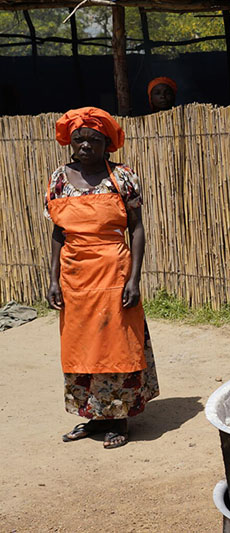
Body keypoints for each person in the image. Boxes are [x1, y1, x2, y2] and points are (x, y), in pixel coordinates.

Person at [47, 107, 159, 450]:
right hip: (74, 275)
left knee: (117, 344)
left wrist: (135, 278)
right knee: (82, 347)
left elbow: (136, 228)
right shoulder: (58, 179)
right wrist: (53, 280)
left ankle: (119, 418)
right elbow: (57, 233)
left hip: (114, 270)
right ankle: (94, 416)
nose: (84, 145)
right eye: (78, 138)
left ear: (107, 144)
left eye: (93, 140)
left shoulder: (122, 178)